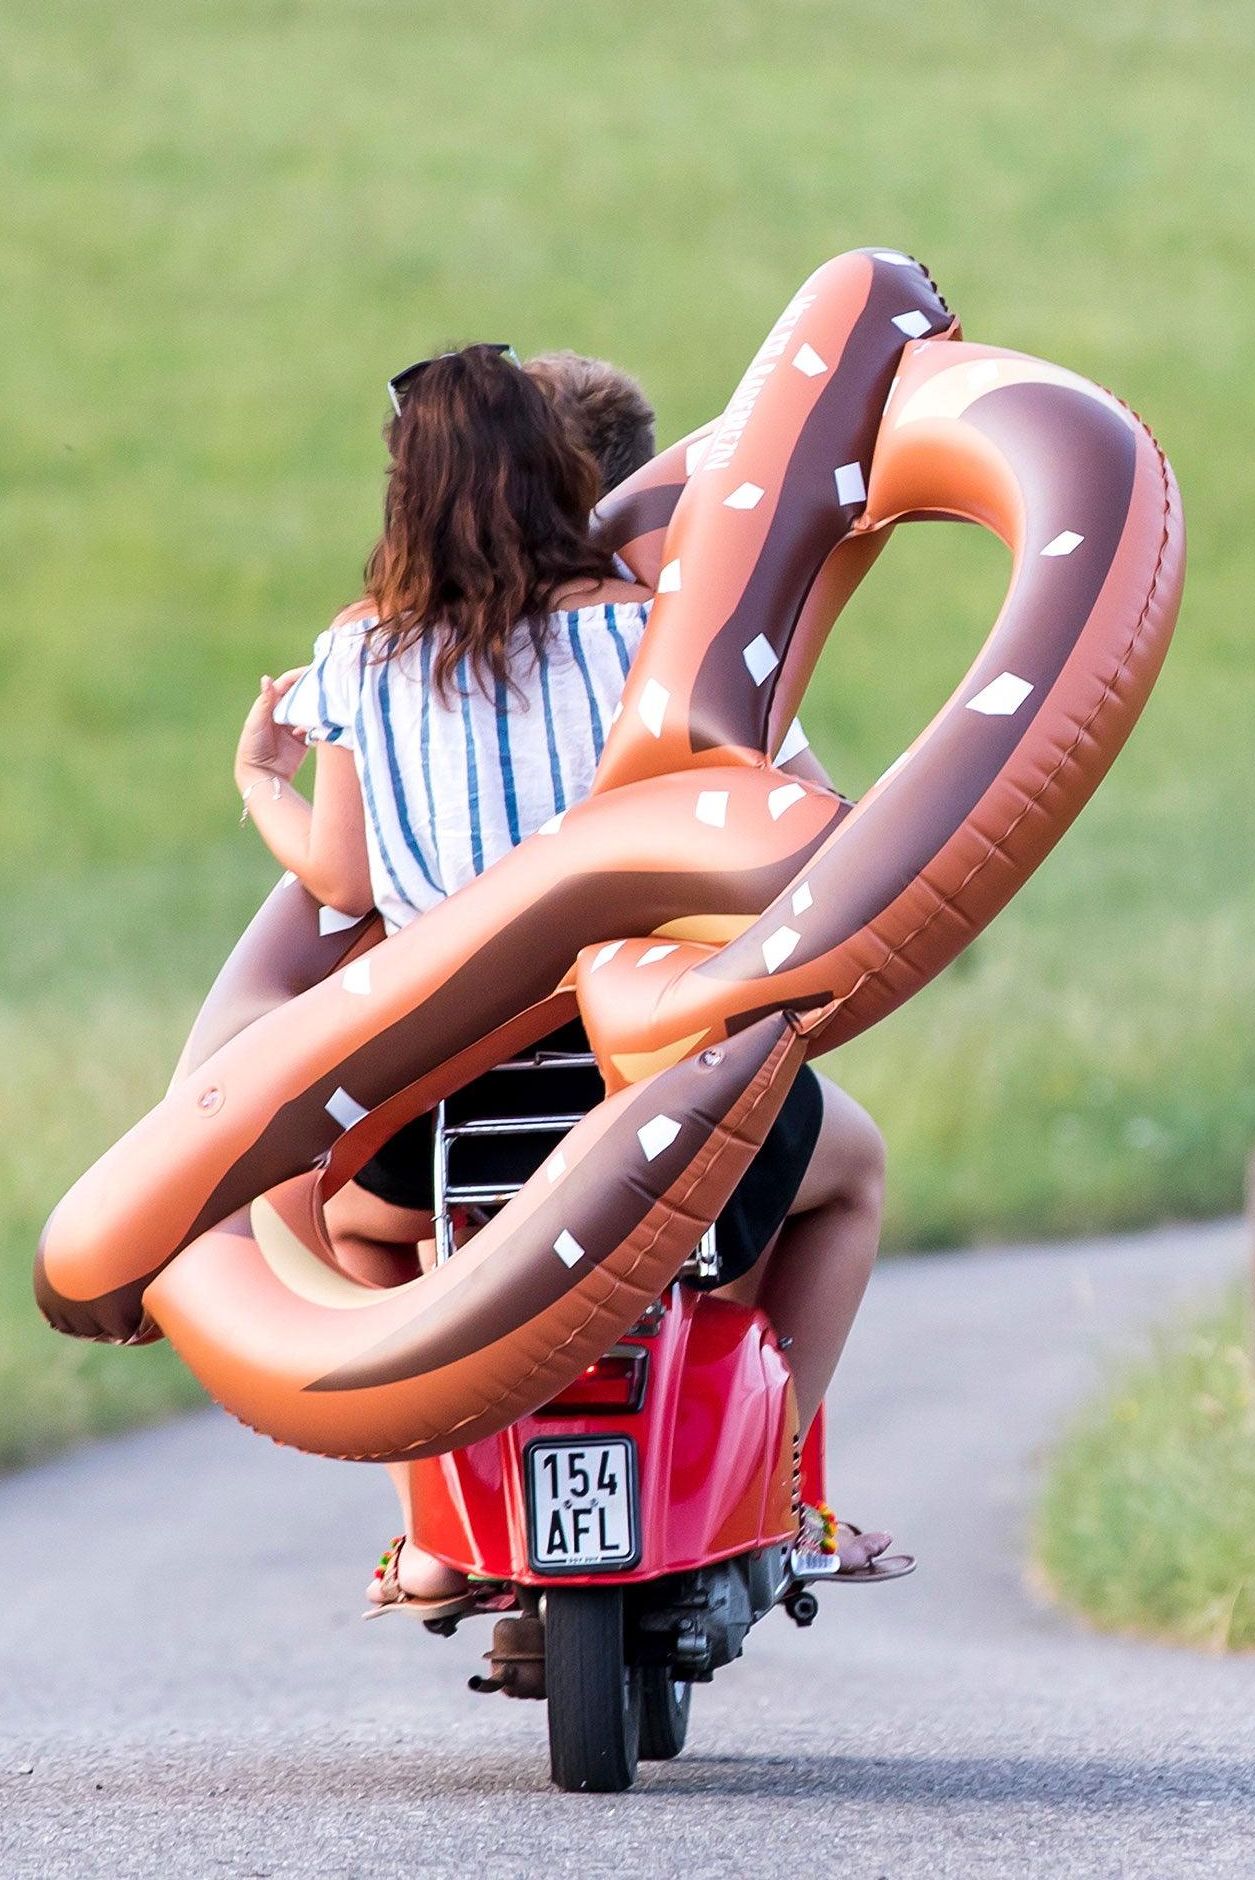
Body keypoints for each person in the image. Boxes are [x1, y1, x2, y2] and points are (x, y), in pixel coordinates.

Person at [208, 345, 900, 1606]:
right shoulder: (658, 640)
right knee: (847, 1178)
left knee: (355, 1225)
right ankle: (779, 1488)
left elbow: (346, 885)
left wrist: (263, 779)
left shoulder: (357, 660)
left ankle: (430, 1522)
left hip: (452, 1111)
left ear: (403, 496)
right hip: (662, 1092)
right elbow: (802, 814)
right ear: (559, 470)